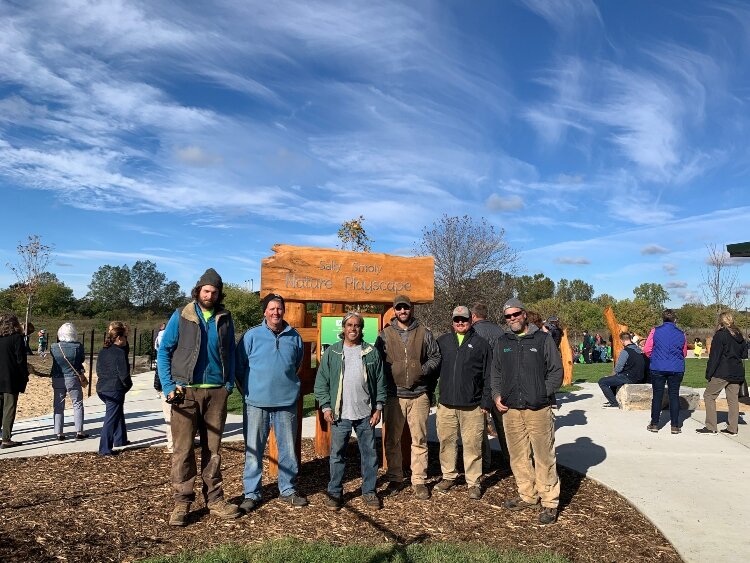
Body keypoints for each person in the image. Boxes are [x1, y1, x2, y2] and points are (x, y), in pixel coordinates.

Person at [157, 268, 239, 526]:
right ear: (198, 290)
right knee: (182, 450)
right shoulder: (182, 315)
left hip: (216, 392)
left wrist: (228, 384)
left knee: (213, 450)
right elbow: (164, 351)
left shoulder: (225, 317)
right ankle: (182, 502)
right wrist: (169, 385)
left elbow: (232, 353)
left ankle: (215, 500)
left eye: (214, 291)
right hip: (185, 392)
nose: (210, 295)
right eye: (206, 290)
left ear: (218, 293)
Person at [491, 298, 563, 525]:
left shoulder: (542, 340)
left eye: (515, 314)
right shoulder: (503, 341)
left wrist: (543, 393)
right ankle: (527, 495)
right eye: (508, 316)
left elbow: (556, 370)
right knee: (518, 456)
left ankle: (549, 501)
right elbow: (495, 372)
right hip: (511, 409)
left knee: (544, 456)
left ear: (524, 314)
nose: (512, 319)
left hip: (538, 409)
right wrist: (496, 394)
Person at [236, 293, 306, 511]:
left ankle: (287, 490)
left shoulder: (294, 337)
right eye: (272, 308)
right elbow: (239, 367)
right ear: (265, 312)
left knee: (287, 450)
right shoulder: (251, 336)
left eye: (279, 308)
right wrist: (249, 391)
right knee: (253, 450)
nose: (276, 312)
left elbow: (297, 364)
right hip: (256, 403)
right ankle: (252, 493)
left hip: (286, 404)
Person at [314, 311, 386, 510]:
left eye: (357, 325)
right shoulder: (333, 352)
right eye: (349, 325)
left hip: (365, 414)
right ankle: (335, 492)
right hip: (340, 414)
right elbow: (321, 382)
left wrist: (378, 407)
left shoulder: (371, 352)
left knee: (369, 455)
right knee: (337, 455)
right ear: (343, 328)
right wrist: (326, 406)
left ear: (361, 329)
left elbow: (380, 382)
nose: (353, 328)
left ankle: (369, 491)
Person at [376, 294, 441, 500]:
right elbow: (377, 362)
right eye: (399, 308)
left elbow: (436, 356)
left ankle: (419, 480)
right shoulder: (384, 335)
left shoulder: (424, 332)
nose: (403, 311)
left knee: (419, 438)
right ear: (394, 311)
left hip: (419, 394)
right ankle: (395, 476)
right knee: (392, 439)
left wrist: (422, 370)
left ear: (411, 309)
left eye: (406, 308)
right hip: (394, 395)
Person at [434, 306, 492, 500]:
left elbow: (488, 376)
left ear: (471, 320)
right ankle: (448, 475)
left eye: (464, 319)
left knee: (473, 445)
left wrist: (486, 401)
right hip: (446, 404)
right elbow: (433, 371)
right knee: (446, 442)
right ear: (452, 321)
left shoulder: (482, 344)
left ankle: (473, 481)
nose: (460, 323)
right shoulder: (442, 342)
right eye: (457, 319)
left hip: (473, 406)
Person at [470, 302, 509, 470]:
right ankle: (511, 460)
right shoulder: (500, 331)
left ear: (473, 316)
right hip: (501, 383)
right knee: (503, 427)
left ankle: (485, 463)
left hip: (482, 385)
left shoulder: (473, 333)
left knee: (480, 426)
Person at [696, 313, 747, 436]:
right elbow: (744, 355)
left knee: (709, 395)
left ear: (720, 321)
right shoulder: (740, 336)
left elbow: (715, 356)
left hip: (723, 371)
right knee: (733, 399)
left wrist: (709, 373)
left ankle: (711, 426)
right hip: (737, 371)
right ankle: (732, 428)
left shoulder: (720, 335)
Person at [643, 309, 687, 434]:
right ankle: (675, 425)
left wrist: (655, 357)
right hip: (676, 367)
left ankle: (654, 423)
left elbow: (647, 349)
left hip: (658, 366)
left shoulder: (655, 331)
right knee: (674, 396)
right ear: (675, 319)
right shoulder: (681, 333)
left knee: (657, 396)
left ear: (662, 319)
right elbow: (683, 353)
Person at [96, 322, 132, 456]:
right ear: (119, 338)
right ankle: (104, 448)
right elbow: (124, 374)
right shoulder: (119, 353)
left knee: (117, 412)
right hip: (114, 388)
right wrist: (128, 385)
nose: (126, 340)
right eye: (125, 337)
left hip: (102, 387)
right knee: (110, 418)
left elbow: (98, 370)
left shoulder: (103, 351)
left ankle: (120, 439)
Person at [50, 322, 88, 441]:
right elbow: (81, 360)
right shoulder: (78, 346)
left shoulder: (54, 347)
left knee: (58, 405)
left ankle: (59, 432)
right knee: (77, 403)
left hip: (58, 377)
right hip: (72, 377)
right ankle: (79, 431)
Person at [0, 313, 29, 448]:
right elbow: (21, 361)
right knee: (9, 409)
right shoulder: (17, 338)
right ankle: (6, 438)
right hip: (11, 378)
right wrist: (25, 376)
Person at [597, 332, 645, 408]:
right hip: (639, 377)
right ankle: (615, 398)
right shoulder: (638, 350)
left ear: (622, 341)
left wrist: (610, 375)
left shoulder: (626, 351)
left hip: (630, 377)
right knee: (615, 378)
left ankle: (613, 403)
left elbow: (618, 368)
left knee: (602, 381)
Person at [152, 322, 173, 453]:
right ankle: (175, 444)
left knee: (170, 417)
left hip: (169, 386)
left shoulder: (162, 347)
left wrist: (159, 387)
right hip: (172, 385)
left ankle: (172, 444)